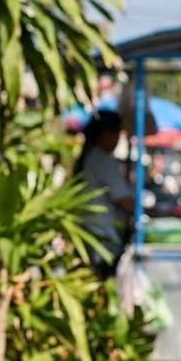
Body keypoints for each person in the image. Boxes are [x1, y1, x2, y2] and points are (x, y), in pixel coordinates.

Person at [75, 111, 135, 278]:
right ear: (107, 134)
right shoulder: (103, 160)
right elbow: (123, 200)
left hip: (89, 232)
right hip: (102, 236)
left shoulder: (89, 157)